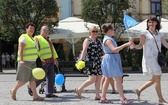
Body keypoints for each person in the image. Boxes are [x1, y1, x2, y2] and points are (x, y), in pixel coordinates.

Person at [133, 17, 168, 104]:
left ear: (156, 23)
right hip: (149, 57)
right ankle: (160, 99)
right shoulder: (144, 33)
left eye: (152, 22)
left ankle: (139, 90)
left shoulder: (159, 34)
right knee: (157, 77)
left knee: (155, 78)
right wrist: (134, 45)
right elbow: (140, 45)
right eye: (149, 22)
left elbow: (166, 44)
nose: (150, 24)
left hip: (156, 57)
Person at [10, 22, 44, 101]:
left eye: (33, 28)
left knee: (33, 80)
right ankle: (13, 90)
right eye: (30, 28)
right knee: (23, 80)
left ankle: (35, 96)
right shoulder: (24, 37)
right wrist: (21, 60)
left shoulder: (33, 39)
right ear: (26, 29)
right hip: (25, 62)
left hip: (33, 62)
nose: (32, 30)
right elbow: (21, 49)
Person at [100, 23, 133, 104]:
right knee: (118, 78)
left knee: (108, 78)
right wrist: (126, 44)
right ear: (110, 30)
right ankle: (122, 98)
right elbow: (114, 49)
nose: (114, 31)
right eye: (113, 29)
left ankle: (103, 98)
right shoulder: (108, 40)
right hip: (111, 59)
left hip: (111, 58)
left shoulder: (109, 38)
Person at [28, 25, 59, 98]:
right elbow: (36, 49)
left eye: (47, 30)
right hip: (44, 61)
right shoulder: (37, 38)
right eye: (44, 30)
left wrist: (55, 59)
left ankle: (49, 93)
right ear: (40, 31)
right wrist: (41, 59)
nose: (46, 32)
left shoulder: (48, 39)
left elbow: (52, 50)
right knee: (41, 77)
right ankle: (30, 87)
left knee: (51, 77)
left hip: (51, 61)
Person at [75, 26, 103, 100]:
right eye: (93, 31)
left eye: (96, 31)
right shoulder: (87, 40)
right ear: (90, 32)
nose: (95, 33)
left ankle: (97, 95)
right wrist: (81, 59)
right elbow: (84, 51)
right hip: (90, 61)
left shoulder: (98, 41)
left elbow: (102, 51)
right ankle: (79, 89)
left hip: (98, 61)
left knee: (98, 78)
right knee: (92, 79)